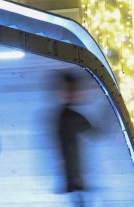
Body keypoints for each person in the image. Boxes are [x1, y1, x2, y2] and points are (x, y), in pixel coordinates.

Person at [54, 70, 94, 206]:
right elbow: (94, 132)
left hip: (72, 174)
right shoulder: (69, 116)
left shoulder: (64, 116)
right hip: (74, 174)